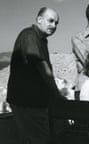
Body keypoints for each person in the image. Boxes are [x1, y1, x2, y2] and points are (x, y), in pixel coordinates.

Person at [6, 7, 63, 144]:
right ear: (39, 19)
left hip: (32, 101)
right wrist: (57, 94)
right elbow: (43, 69)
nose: (54, 26)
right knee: (40, 139)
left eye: (56, 23)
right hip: (28, 102)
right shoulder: (30, 35)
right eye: (50, 21)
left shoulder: (41, 39)